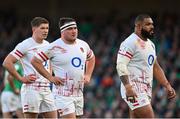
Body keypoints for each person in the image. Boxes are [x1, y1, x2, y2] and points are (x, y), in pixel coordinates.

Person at [31, 17, 95, 118]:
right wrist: (50, 77)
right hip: (62, 95)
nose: (73, 31)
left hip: (78, 93)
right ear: (62, 31)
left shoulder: (83, 45)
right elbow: (35, 61)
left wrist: (88, 75)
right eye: (70, 29)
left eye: (75, 28)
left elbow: (91, 58)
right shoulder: (54, 47)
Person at [116, 14, 176, 118]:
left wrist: (167, 85)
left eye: (152, 24)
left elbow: (155, 67)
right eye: (148, 24)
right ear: (138, 26)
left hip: (146, 90)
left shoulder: (151, 45)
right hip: (134, 88)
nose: (152, 26)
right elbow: (121, 65)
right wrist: (128, 87)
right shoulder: (130, 42)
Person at [2, 17, 62, 118]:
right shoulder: (25, 45)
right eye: (42, 28)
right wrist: (21, 78)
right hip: (32, 89)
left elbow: (49, 64)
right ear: (34, 29)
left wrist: (50, 78)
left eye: (47, 28)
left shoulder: (48, 45)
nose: (46, 31)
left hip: (46, 89)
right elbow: (7, 62)